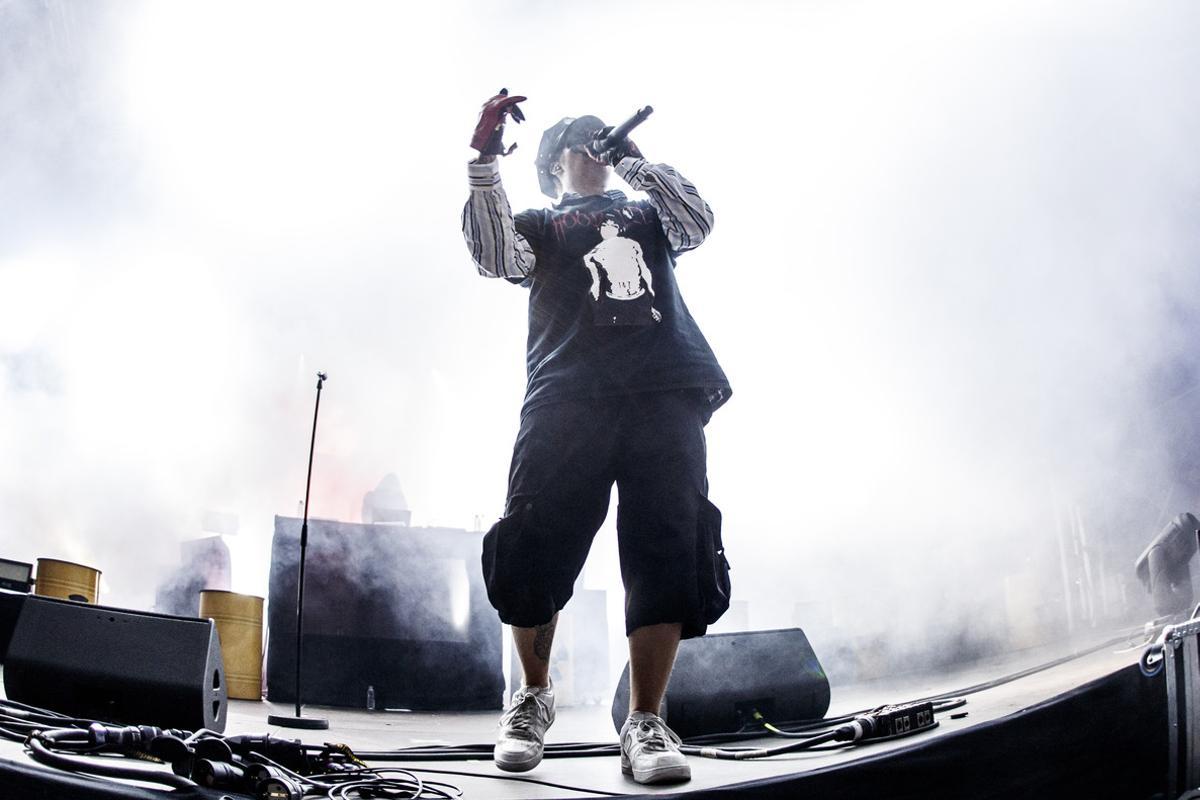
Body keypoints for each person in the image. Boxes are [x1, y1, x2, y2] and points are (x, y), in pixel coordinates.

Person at [461, 91, 732, 785]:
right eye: (581, 140)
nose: (595, 145)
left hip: (662, 388)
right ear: (554, 163)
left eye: (599, 136)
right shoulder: (542, 223)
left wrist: (637, 163)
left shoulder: (645, 211)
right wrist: (484, 162)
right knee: (534, 540)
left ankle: (646, 720)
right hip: (568, 393)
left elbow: (698, 222)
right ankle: (531, 696)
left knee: (668, 543)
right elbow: (494, 256)